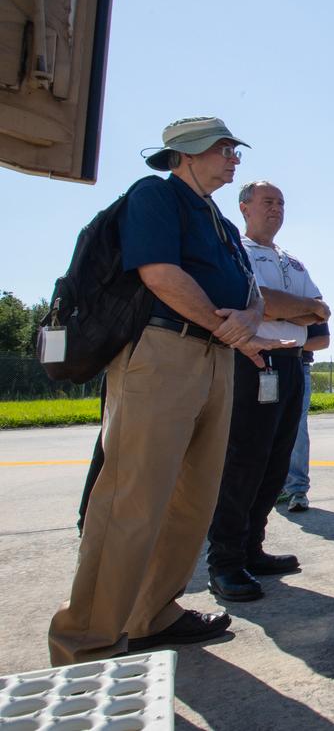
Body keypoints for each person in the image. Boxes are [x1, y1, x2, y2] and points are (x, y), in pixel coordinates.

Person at [49, 116, 286, 664]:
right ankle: (86, 638)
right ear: (187, 154)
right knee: (132, 498)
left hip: (215, 356)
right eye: (224, 149)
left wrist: (245, 322)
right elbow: (159, 273)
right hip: (162, 352)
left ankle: (151, 615)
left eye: (234, 150)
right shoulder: (155, 195)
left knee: (192, 499)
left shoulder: (222, 222)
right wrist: (221, 323)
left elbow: (250, 291)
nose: (233, 159)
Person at [205, 181, 330, 603]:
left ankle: (252, 549)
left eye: (280, 203)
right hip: (253, 362)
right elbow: (259, 301)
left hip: (293, 364)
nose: (275, 208)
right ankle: (224, 562)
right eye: (267, 201)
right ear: (244, 207)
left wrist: (287, 306)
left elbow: (321, 310)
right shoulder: (234, 250)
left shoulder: (292, 261)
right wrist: (293, 307)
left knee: (276, 464)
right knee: (244, 462)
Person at [278, 321, 330, 513]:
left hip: (298, 364)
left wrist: (281, 343)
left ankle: (297, 489)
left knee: (297, 429)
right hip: (258, 363)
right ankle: (269, 486)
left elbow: (323, 340)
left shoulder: (309, 293)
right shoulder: (260, 290)